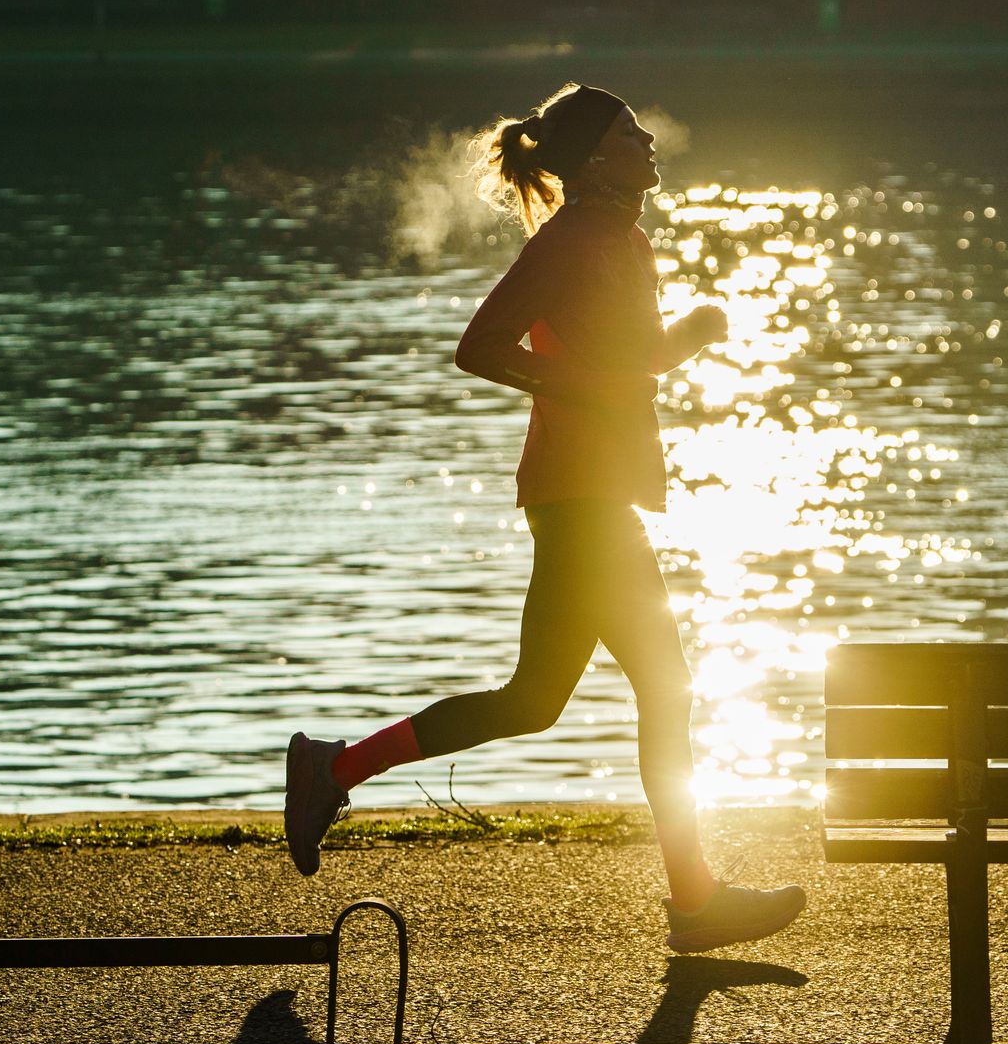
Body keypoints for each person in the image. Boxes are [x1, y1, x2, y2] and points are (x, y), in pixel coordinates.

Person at [284, 83, 807, 955]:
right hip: (578, 498)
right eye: (629, 131)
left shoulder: (625, 238)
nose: (648, 139)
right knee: (657, 690)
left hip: (601, 495)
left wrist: (692, 336)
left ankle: (333, 767)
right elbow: (480, 347)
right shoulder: (569, 242)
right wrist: (581, 384)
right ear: (597, 157)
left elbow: (627, 364)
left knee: (537, 700)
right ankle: (693, 900)